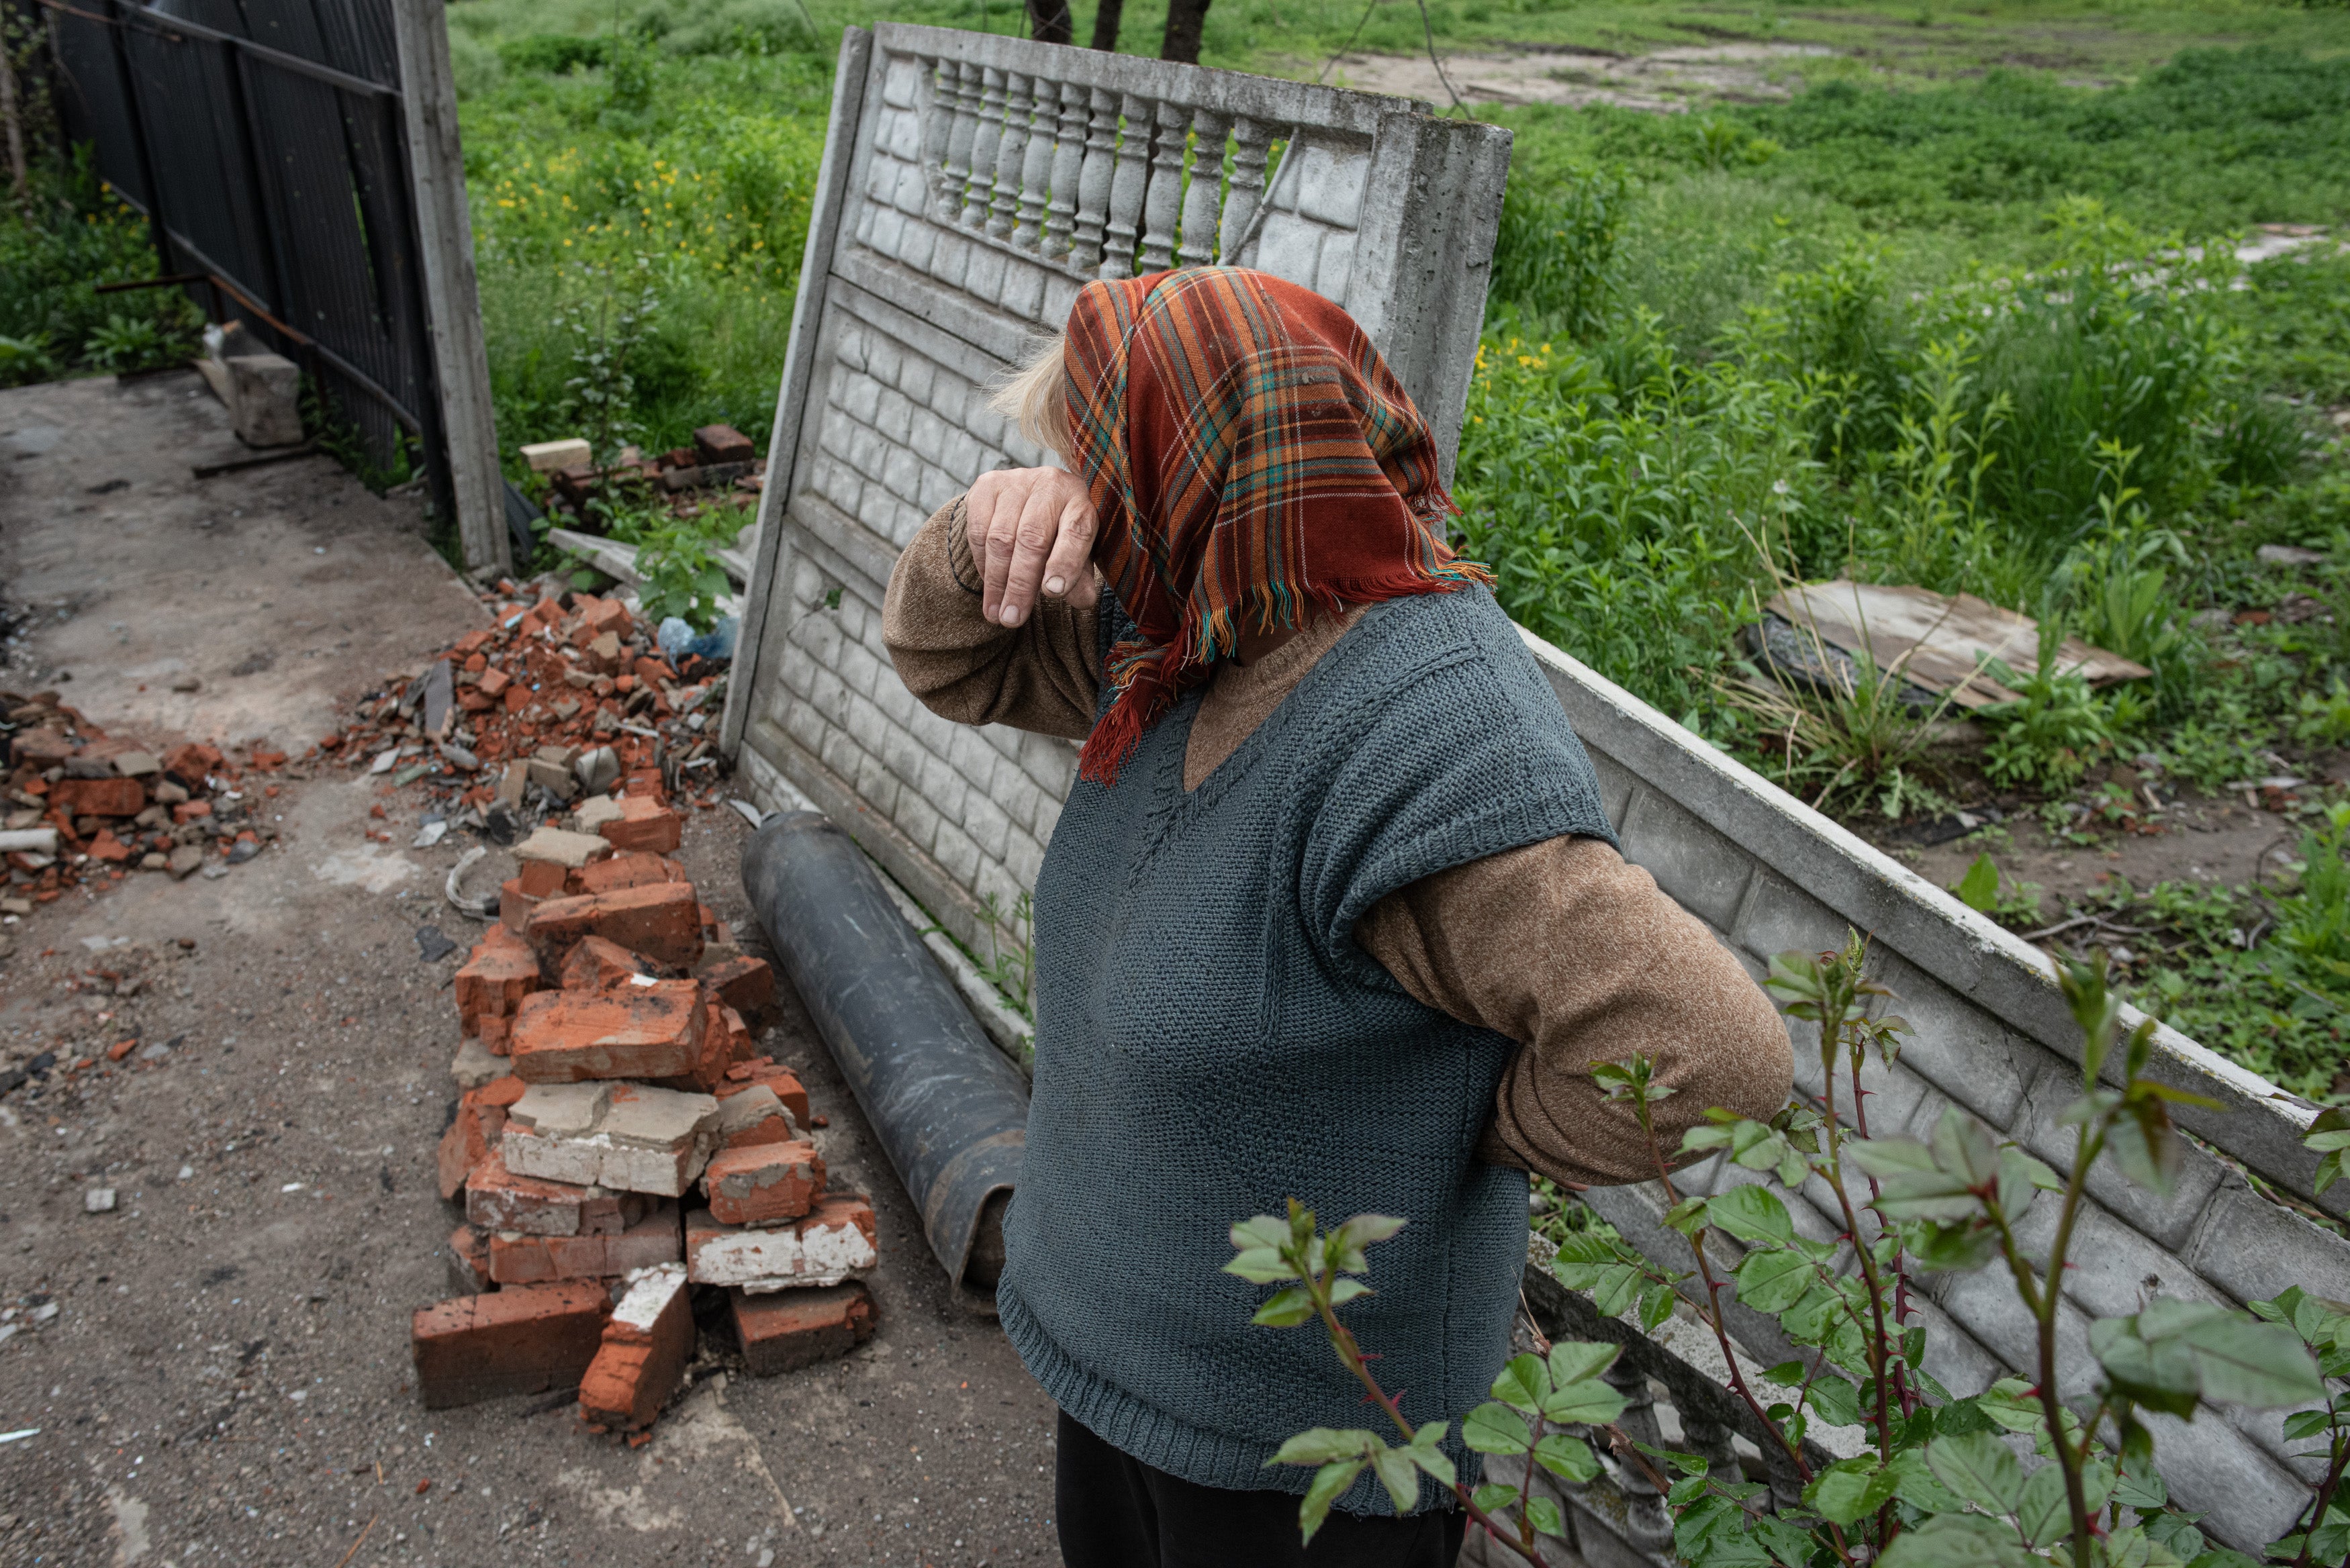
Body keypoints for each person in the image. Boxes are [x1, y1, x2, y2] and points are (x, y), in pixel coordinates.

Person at [882, 266, 1791, 1568]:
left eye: (1099, 465)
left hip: (1297, 1467)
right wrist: (986, 532)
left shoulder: (1419, 736)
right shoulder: (1190, 628)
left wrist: (1452, 1132)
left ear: (1203, 474)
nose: (1088, 500)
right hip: (1123, 1369)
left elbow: (1715, 1052)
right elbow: (947, 657)